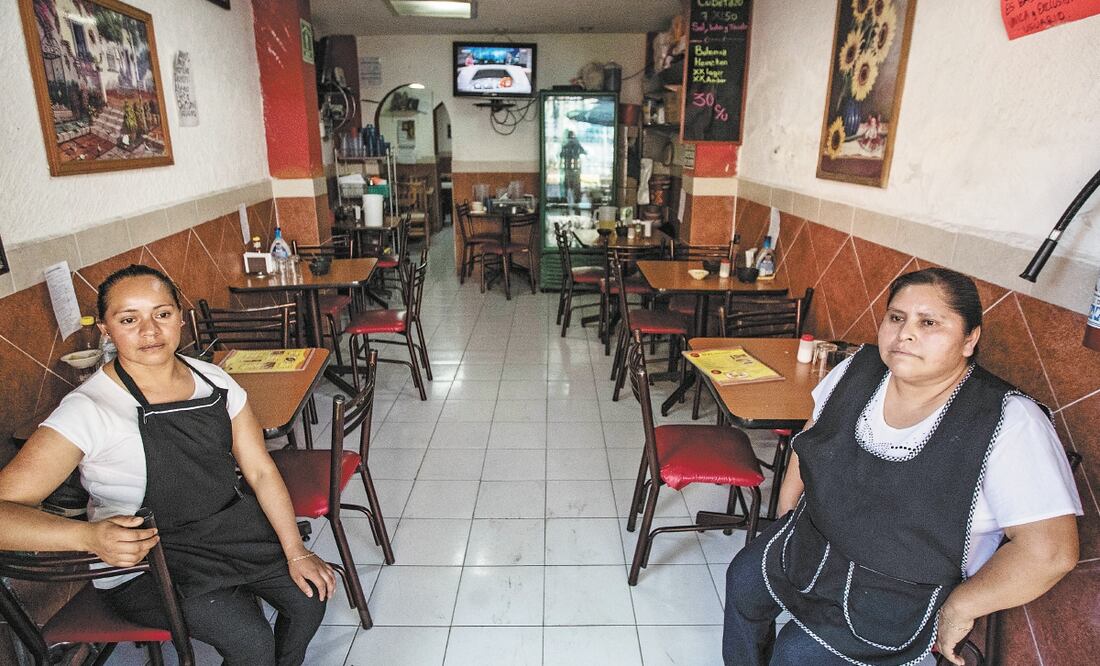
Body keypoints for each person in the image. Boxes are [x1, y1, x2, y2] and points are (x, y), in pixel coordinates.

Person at [723, 268, 1081, 666]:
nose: (905, 334)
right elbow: (810, 441)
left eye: (928, 323)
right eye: (896, 318)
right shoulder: (857, 370)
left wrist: (961, 607)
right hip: (811, 539)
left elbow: (1050, 552)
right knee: (742, 582)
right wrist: (785, 519)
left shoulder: (1009, 421)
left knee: (796, 653)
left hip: (898, 589)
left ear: (970, 339)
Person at [0, 265, 334, 665]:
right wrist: (87, 538)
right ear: (106, 330)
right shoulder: (87, 410)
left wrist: (296, 551)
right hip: (150, 560)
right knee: (250, 638)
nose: (149, 331)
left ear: (180, 316)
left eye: (161, 313)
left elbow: (261, 472)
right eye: (129, 319)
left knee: (310, 597)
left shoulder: (216, 382)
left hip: (228, 532)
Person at [560, 130, 586, 209]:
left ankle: (566, 206)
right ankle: (576, 206)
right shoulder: (577, 146)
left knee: (567, 188)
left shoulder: (565, 146)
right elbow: (584, 152)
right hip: (575, 171)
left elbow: (561, 155)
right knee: (575, 189)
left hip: (567, 170)